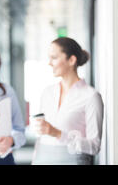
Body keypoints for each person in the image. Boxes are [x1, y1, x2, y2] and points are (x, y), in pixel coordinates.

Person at [32, 37, 104, 165]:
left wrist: (58, 134)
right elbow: (41, 138)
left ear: (71, 60)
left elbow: (94, 146)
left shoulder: (91, 97)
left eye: (54, 58)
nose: (49, 63)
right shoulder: (47, 93)